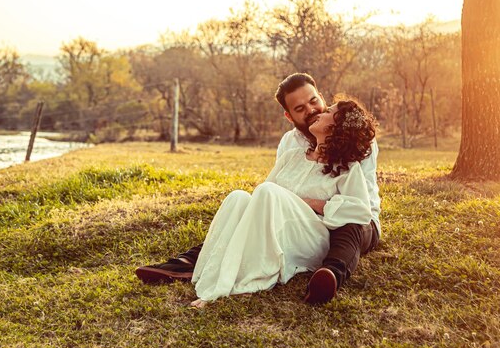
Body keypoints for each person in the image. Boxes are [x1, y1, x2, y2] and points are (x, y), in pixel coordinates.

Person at [136, 73, 381, 304]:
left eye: (316, 102)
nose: (313, 111)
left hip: (350, 225)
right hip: (291, 223)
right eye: (300, 108)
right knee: (240, 198)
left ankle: (331, 274)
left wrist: (303, 203)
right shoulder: (291, 147)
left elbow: (359, 207)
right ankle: (197, 260)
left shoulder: (354, 153)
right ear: (289, 116)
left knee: (348, 226)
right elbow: (268, 199)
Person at [190, 99, 376, 307]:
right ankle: (217, 269)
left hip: (310, 237)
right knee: (238, 198)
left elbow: (360, 210)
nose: (320, 112)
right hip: (278, 229)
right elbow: (261, 200)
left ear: (336, 126)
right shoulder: (291, 157)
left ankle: (234, 283)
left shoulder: (348, 169)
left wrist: (312, 203)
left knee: (268, 191)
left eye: (328, 112)